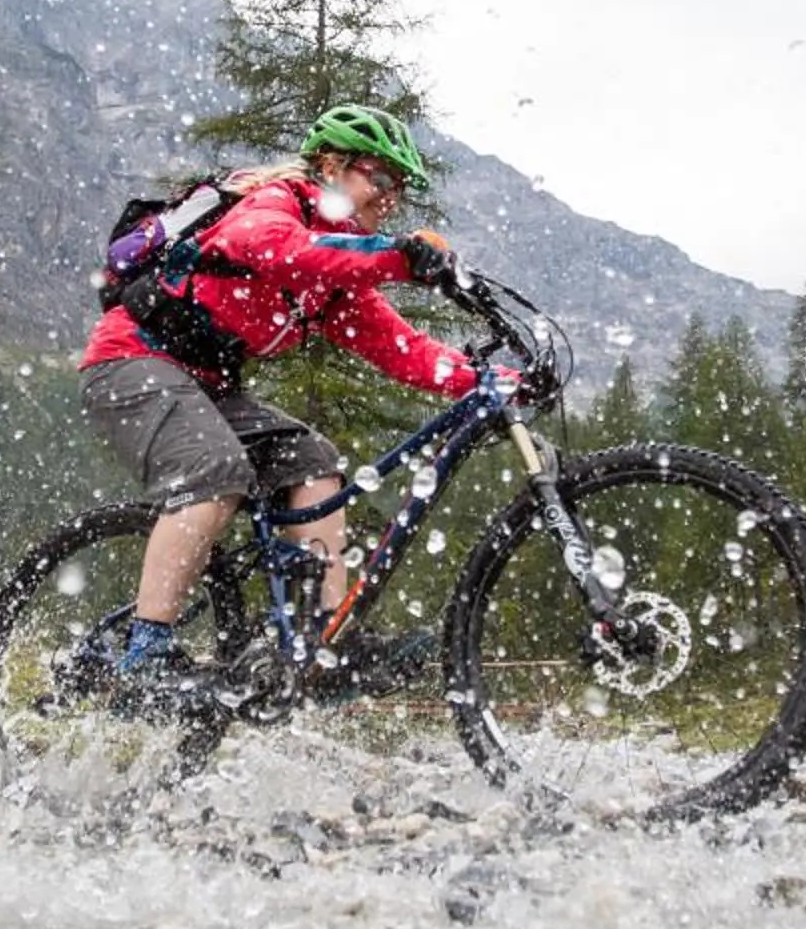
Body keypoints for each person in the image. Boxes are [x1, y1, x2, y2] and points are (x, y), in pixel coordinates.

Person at [78, 103, 515, 706]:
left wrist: (496, 382)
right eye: (380, 179)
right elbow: (274, 249)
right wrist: (398, 258)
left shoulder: (333, 283)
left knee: (311, 461)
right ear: (332, 165)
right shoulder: (275, 200)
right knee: (215, 472)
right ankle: (144, 652)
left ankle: (321, 643)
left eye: (398, 190)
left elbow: (405, 352)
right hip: (129, 363)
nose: (389, 199)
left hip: (204, 386)